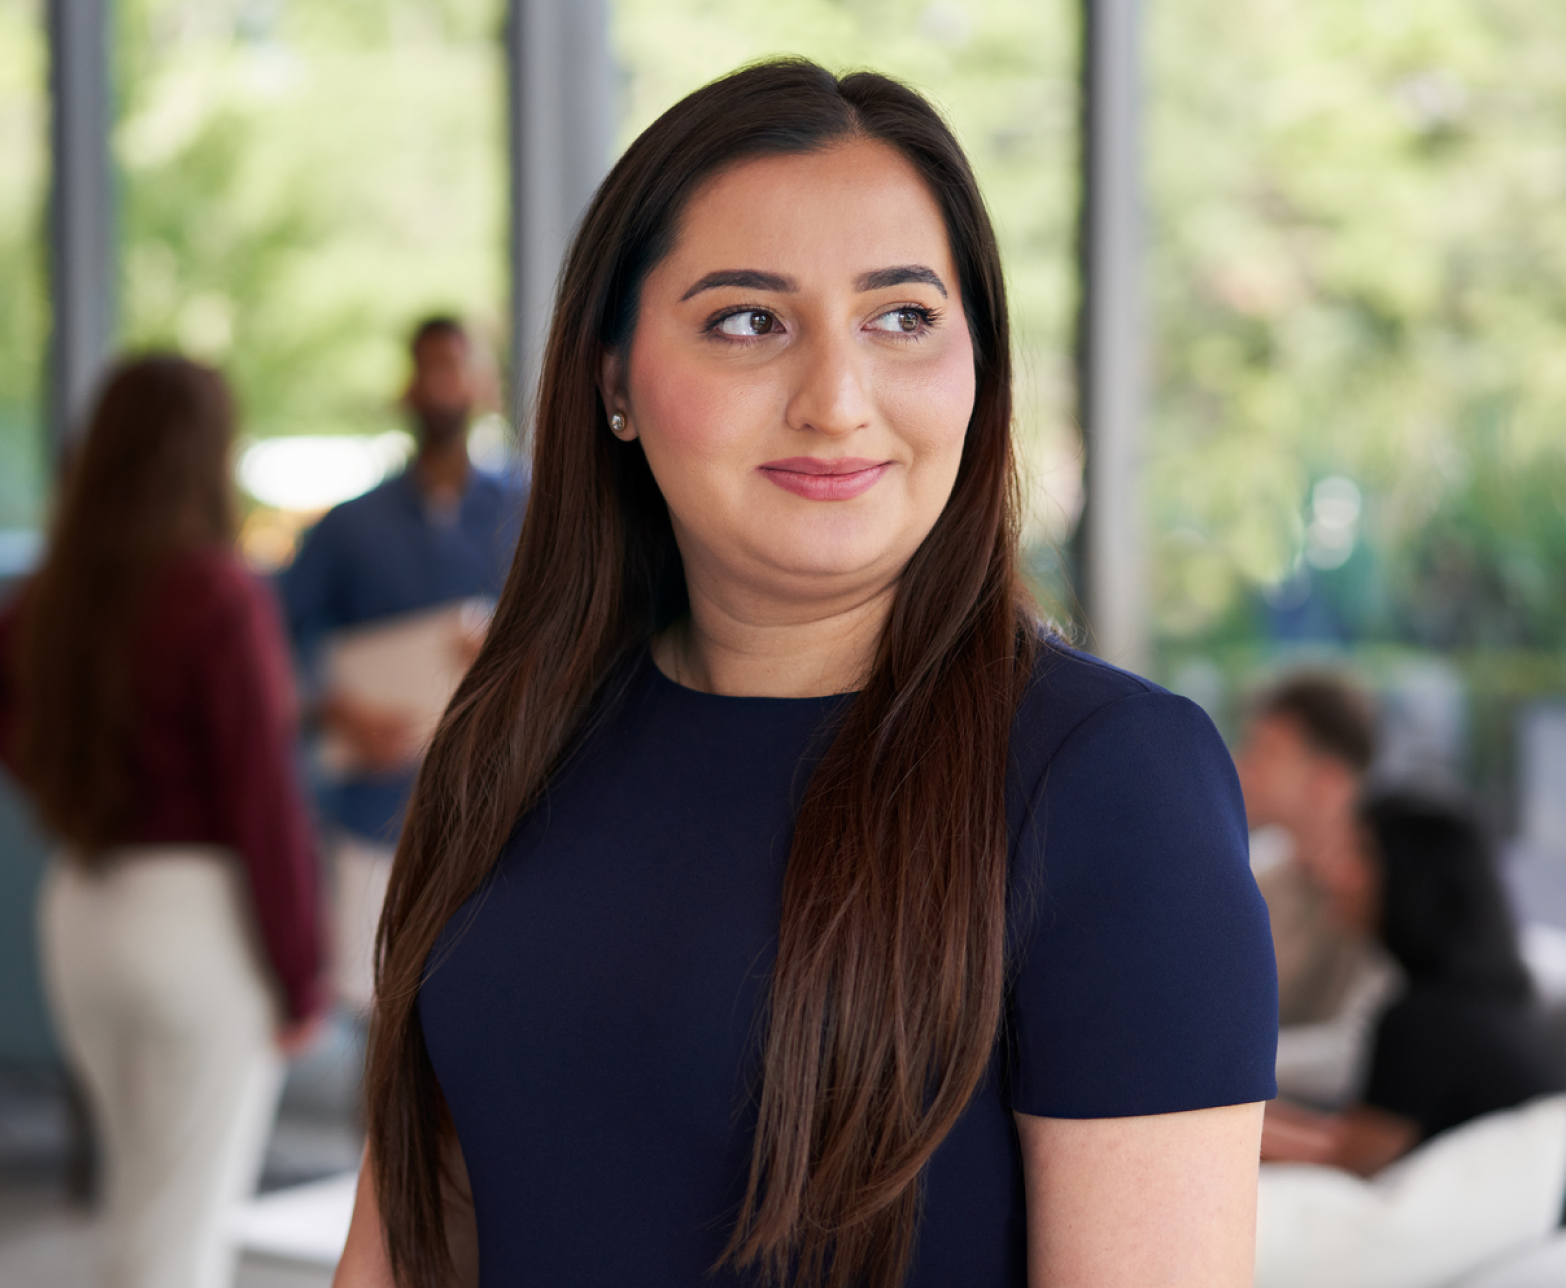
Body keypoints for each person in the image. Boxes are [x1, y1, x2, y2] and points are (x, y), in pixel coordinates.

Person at [335, 61, 1277, 1288]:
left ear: (979, 367)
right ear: (614, 377)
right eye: (747, 320)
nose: (837, 400)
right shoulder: (516, 736)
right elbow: (409, 1239)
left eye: (901, 319)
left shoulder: (1107, 784)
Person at [0, 355, 326, 1288]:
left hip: (87, 908)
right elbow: (263, 800)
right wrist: (301, 973)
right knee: (179, 1236)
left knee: (141, 1209)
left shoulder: (68, 588)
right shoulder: (215, 592)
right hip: (198, 926)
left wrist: (65, 785)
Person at [278, 316, 527, 1007]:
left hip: (505, 812)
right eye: (429, 368)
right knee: (379, 1021)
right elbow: (277, 644)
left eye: (457, 366)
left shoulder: (535, 512)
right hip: (377, 815)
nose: (442, 383)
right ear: (407, 388)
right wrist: (332, 705)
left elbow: (593, 640)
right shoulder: (349, 525)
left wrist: (508, 655)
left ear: (485, 385)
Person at [1262, 791, 1566, 1177]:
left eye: (1358, 854)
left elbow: (1345, 1163)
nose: (1334, 873)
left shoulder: (1424, 1023)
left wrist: (1210, 1126)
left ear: (1411, 875)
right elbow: (1349, 1138)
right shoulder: (1507, 1002)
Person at [1237, 671, 1399, 1107]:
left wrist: (1218, 1063)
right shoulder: (1261, 878)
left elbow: (1360, 1052)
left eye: (1267, 751)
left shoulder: (1391, 892)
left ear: (1327, 781)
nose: (1243, 767)